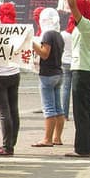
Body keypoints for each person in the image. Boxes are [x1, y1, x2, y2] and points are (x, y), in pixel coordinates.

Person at [61, 0, 90, 157]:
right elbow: (87, 4)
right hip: (87, 68)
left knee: (80, 111)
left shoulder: (84, 26)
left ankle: (82, 148)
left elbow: (73, 5)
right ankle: (87, 147)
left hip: (81, 70)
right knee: (86, 110)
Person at [31, 8, 65, 147]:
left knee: (49, 108)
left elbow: (44, 54)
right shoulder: (59, 35)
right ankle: (57, 137)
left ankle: (47, 139)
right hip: (58, 72)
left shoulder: (47, 35)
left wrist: (32, 44)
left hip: (47, 74)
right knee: (58, 108)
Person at [0, 3, 21, 156]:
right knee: (13, 110)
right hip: (14, 72)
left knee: (3, 112)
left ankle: (7, 146)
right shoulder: (17, 30)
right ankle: (11, 143)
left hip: (0, 74)